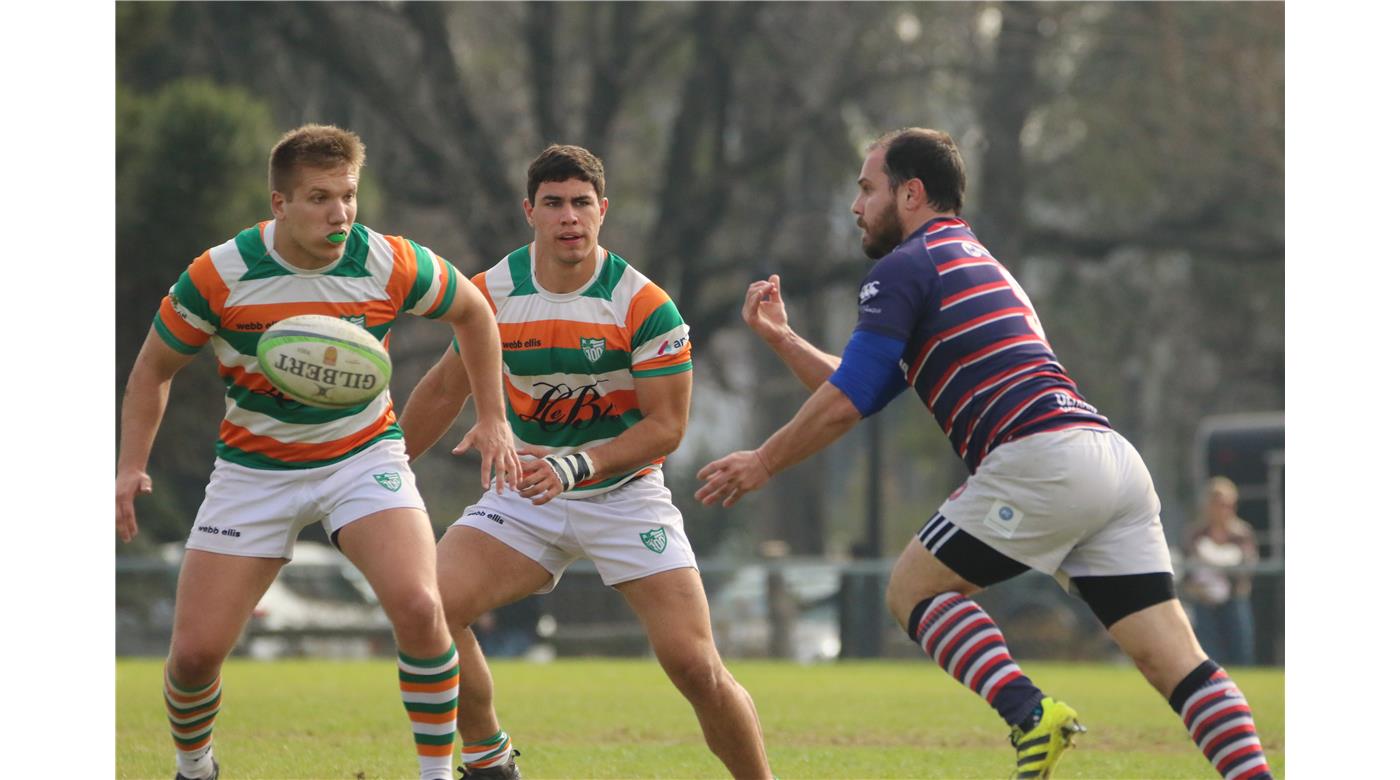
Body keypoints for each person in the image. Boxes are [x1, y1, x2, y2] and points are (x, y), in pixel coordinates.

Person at [696, 128, 1273, 780]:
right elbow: (864, 384)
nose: (855, 206)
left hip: (1040, 459)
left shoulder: (904, 268)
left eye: (866, 189)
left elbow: (847, 400)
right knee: (1179, 666)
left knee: (912, 590)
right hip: (1110, 463)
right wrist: (783, 339)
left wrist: (762, 462)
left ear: (910, 193)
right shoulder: (972, 259)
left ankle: (1031, 715)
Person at [115, 124, 522, 780]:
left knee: (421, 607)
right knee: (193, 656)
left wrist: (495, 417)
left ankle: (437, 775)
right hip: (254, 472)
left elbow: (474, 313)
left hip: (361, 458)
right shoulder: (221, 273)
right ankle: (195, 769)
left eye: (349, 196)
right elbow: (152, 370)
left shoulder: (387, 261)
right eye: (320, 198)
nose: (340, 213)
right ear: (280, 204)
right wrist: (131, 464)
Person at [399, 144, 772, 780]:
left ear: (603, 211)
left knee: (694, 664)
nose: (569, 217)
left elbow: (668, 427)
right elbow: (441, 390)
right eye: (554, 204)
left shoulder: (645, 305)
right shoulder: (491, 292)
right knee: (426, 610)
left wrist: (576, 465)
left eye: (581, 203)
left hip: (626, 496)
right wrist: (383, 472)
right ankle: (489, 759)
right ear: (530, 212)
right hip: (525, 494)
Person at [1182, 477, 1260, 666]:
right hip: (1203, 604)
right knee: (1207, 655)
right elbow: (1185, 571)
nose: (1223, 510)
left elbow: (1248, 567)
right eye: (1218, 504)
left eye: (1228, 505)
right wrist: (1196, 589)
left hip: (1234, 601)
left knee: (1241, 652)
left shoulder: (1242, 534)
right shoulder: (1194, 534)